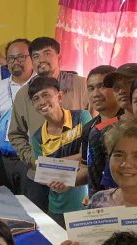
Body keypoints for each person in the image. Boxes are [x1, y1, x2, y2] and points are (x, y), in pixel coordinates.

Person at [8, 37, 88, 207]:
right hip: (39, 176)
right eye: (35, 56)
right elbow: (15, 134)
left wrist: (83, 160)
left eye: (47, 53)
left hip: (78, 176)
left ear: (58, 56)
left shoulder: (81, 85)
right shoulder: (24, 94)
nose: (41, 60)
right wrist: (35, 160)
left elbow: (95, 128)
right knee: (43, 228)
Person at [27, 75, 92, 222]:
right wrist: (51, 180)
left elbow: (89, 156)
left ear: (60, 96)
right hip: (56, 206)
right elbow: (43, 172)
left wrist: (56, 164)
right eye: (36, 99)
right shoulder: (38, 137)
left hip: (84, 204)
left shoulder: (82, 117)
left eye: (46, 95)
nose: (42, 102)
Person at [86, 63, 137, 197]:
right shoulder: (100, 131)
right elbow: (95, 187)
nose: (122, 90)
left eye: (129, 83)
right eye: (117, 87)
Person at [0, 38, 34, 194]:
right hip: (4, 161)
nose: (15, 61)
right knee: (6, 209)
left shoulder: (41, 86)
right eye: (10, 58)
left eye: (21, 57)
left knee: (33, 209)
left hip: (31, 160)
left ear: (32, 58)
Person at [83, 64, 122, 196]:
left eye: (102, 86)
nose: (96, 94)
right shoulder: (89, 128)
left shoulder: (129, 125)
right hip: (98, 205)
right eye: (91, 88)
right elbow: (88, 167)